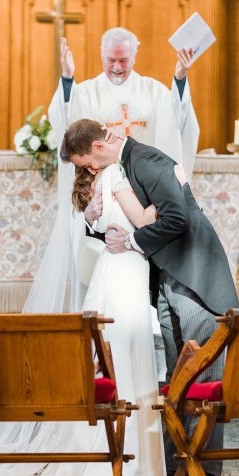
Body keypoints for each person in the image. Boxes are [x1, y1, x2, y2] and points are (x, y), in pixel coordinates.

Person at [0, 149, 190, 476]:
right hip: (125, 270)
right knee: (124, 358)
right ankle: (126, 464)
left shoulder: (103, 180)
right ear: (97, 150)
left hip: (117, 268)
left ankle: (126, 462)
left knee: (118, 356)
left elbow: (113, 222)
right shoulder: (116, 175)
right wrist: (174, 188)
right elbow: (144, 218)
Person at [60, 119, 239, 476]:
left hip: (194, 279)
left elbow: (176, 218)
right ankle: (179, 466)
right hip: (169, 279)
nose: (89, 171)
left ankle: (201, 471)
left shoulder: (149, 160)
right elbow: (127, 218)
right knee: (180, 380)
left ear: (97, 147)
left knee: (201, 375)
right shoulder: (126, 166)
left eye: (87, 163)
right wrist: (97, 222)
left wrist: (133, 243)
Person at [25, 26, 199, 317]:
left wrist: (180, 78)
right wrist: (67, 79)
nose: (117, 67)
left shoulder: (154, 90)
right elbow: (66, 121)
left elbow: (178, 121)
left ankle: (153, 317)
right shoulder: (86, 91)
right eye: (111, 60)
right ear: (102, 56)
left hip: (142, 191)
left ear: (134, 56)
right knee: (100, 263)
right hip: (102, 192)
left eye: (124, 60)